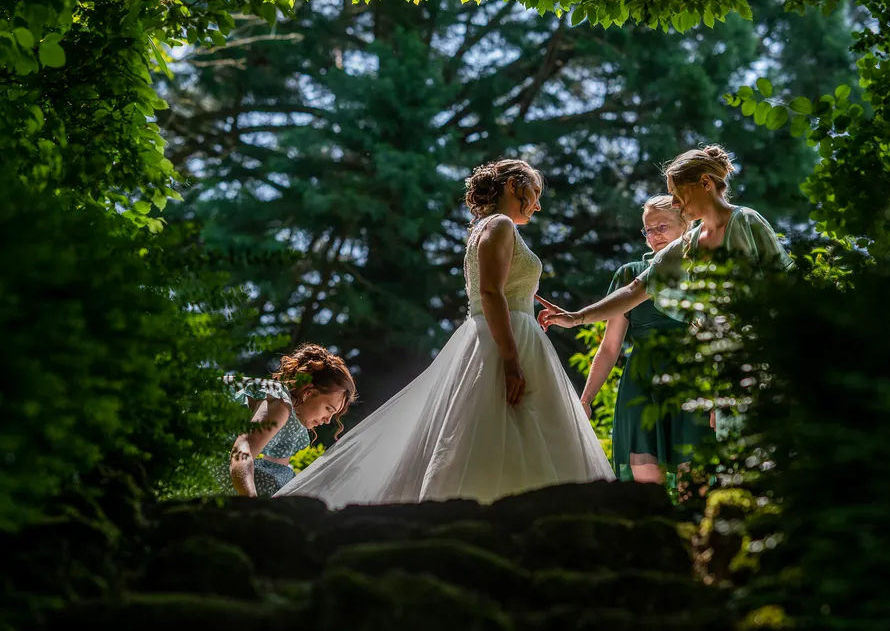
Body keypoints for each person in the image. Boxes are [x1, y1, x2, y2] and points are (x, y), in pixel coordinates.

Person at [275, 159, 613, 507]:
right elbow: (491, 293)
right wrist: (511, 358)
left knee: (503, 430)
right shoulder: (499, 224)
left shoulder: (485, 228)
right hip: (507, 340)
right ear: (514, 185)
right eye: (535, 192)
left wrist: (528, 298)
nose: (538, 204)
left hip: (503, 331)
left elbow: (502, 287)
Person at [538, 145, 794, 438]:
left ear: (705, 184)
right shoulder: (688, 246)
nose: (674, 201)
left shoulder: (746, 221)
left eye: (676, 192)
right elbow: (636, 289)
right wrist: (576, 317)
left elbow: (785, 290)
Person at [575, 195, 710, 484]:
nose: (653, 236)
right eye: (648, 230)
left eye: (662, 226)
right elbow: (610, 347)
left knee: (695, 481)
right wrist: (585, 399)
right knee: (646, 487)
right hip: (641, 382)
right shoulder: (629, 274)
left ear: (687, 226)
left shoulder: (703, 271)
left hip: (692, 380)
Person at [216, 344, 356, 497]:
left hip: (211, 454)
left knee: (282, 481)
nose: (328, 420)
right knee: (270, 483)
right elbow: (242, 452)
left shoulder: (294, 427)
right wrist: (251, 501)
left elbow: (279, 479)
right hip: (192, 437)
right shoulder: (281, 403)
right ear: (309, 393)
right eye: (329, 409)